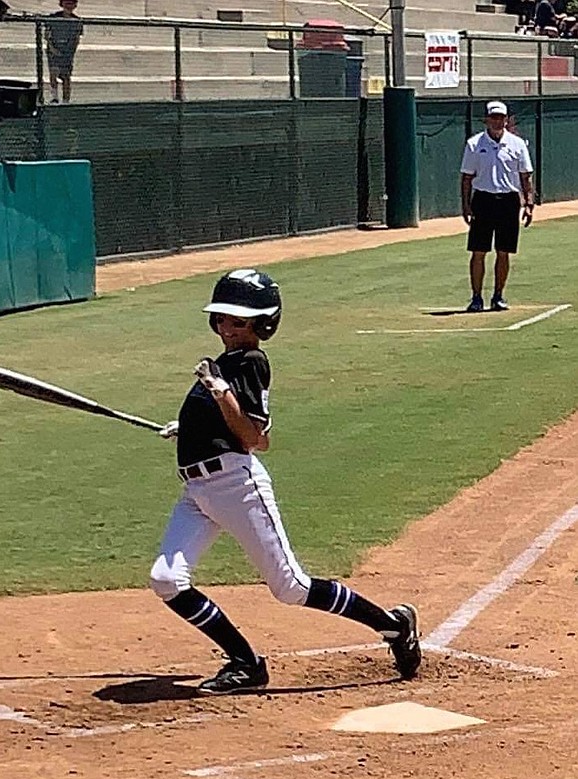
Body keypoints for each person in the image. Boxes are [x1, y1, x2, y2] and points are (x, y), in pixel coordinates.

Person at [150, 270, 421, 694]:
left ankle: (393, 626)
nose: (226, 328)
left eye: (237, 322)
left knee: (291, 588)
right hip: (198, 491)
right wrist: (189, 426)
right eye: (221, 319)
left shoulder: (251, 363)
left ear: (261, 324)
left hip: (235, 488)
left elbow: (255, 439)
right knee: (167, 580)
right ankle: (245, 662)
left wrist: (220, 393)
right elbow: (234, 425)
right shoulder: (224, 365)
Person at [460, 101, 535, 313]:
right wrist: (466, 205)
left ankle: (498, 296)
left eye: (501, 117)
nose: (497, 121)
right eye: (493, 117)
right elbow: (466, 178)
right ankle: (476, 298)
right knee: (478, 251)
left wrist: (529, 204)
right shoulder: (474, 144)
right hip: (483, 200)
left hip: (509, 201)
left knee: (504, 252)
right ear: (487, 119)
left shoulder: (517, 144)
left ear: (506, 119)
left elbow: (525, 176)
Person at [44, 0, 84, 105]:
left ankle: (66, 101)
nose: (69, 6)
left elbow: (76, 39)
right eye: (67, 3)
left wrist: (70, 52)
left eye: (72, 3)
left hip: (67, 53)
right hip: (54, 51)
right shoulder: (53, 18)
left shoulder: (77, 21)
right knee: (53, 74)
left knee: (66, 77)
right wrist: (52, 49)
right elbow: (47, 35)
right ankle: (55, 97)